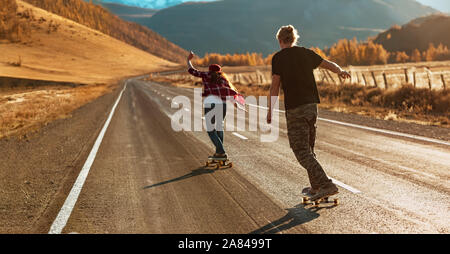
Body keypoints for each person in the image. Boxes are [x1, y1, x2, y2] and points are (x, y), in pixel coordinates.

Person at [267, 25, 351, 201]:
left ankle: (326, 184)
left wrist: (270, 110)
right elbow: (329, 65)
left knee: (300, 149)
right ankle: (316, 186)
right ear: (294, 39)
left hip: (295, 108)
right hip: (311, 107)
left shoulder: (278, 58)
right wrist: (341, 71)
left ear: (280, 40)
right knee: (309, 148)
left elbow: (275, 86)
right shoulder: (306, 53)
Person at [187, 51, 242, 160]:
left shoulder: (206, 75)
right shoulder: (223, 79)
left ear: (210, 70)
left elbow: (192, 71)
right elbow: (228, 92)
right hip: (223, 104)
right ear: (220, 72)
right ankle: (218, 153)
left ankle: (221, 152)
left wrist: (188, 60)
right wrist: (235, 103)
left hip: (210, 103)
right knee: (219, 127)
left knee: (210, 129)